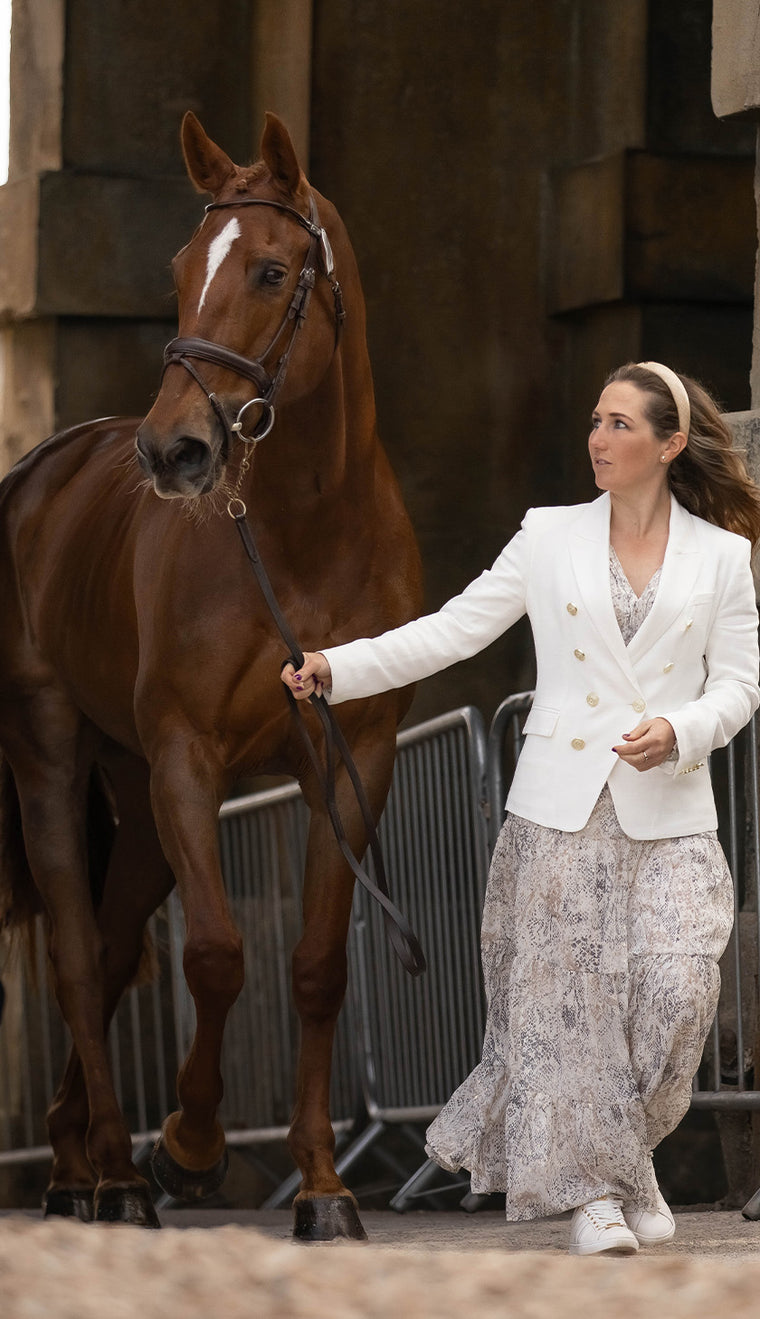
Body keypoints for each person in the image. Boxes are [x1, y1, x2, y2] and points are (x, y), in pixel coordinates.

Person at [282, 361, 760, 1256]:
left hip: (670, 813)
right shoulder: (547, 537)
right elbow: (453, 628)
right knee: (566, 1010)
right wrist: (336, 667)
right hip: (558, 812)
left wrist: (683, 727)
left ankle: (629, 1162)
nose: (598, 439)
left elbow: (740, 684)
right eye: (595, 421)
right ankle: (593, 1199)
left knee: (678, 995)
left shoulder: (725, 557)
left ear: (670, 442)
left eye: (620, 424)